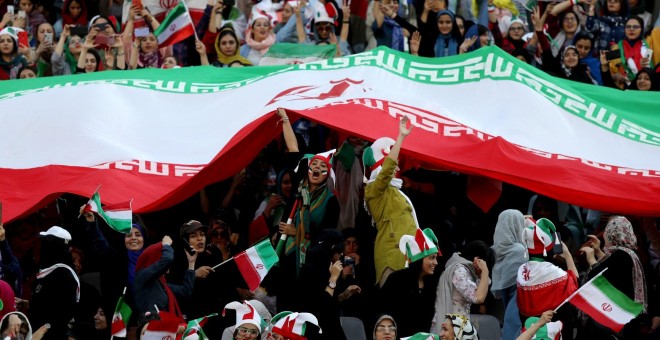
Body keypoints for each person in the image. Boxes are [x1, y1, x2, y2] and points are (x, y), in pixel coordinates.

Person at [363, 116, 418, 286]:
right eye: (390, 166)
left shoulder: (397, 193)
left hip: (408, 254)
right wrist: (400, 137)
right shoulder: (373, 190)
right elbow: (388, 169)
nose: (396, 170)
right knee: (392, 305)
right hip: (391, 253)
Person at [578, 216, 647, 338]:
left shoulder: (621, 256)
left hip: (614, 317)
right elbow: (610, 267)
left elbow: (601, 280)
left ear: (612, 235)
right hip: (626, 314)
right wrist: (599, 251)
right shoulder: (630, 253)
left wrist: (591, 258)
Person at [516, 218, 577, 340]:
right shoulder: (553, 271)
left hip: (530, 330)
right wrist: (567, 255)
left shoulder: (521, 270)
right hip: (552, 331)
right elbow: (574, 284)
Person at [381, 228, 440, 336]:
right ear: (419, 260)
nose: (435, 263)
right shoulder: (396, 280)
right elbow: (384, 312)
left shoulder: (432, 283)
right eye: (431, 258)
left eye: (435, 258)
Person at [29, 226, 80, 340]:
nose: (42, 246)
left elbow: (63, 314)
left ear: (53, 246)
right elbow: (48, 304)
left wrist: (44, 329)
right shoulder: (49, 271)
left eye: (45, 242)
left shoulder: (64, 275)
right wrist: (28, 303)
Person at [133, 236, 196, 323]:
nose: (168, 269)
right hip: (150, 331)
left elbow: (186, 292)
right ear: (155, 260)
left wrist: (191, 263)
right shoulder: (143, 276)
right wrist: (166, 245)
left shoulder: (161, 284)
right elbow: (167, 259)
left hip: (165, 331)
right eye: (161, 258)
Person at [433, 241, 491, 331]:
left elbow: (481, 289)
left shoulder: (465, 270)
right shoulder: (459, 270)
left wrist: (480, 274)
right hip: (449, 327)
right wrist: (485, 270)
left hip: (457, 325)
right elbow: (478, 298)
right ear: (477, 259)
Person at [490, 210, 526, 340]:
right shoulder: (521, 250)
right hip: (518, 291)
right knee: (513, 319)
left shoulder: (495, 250)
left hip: (502, 294)